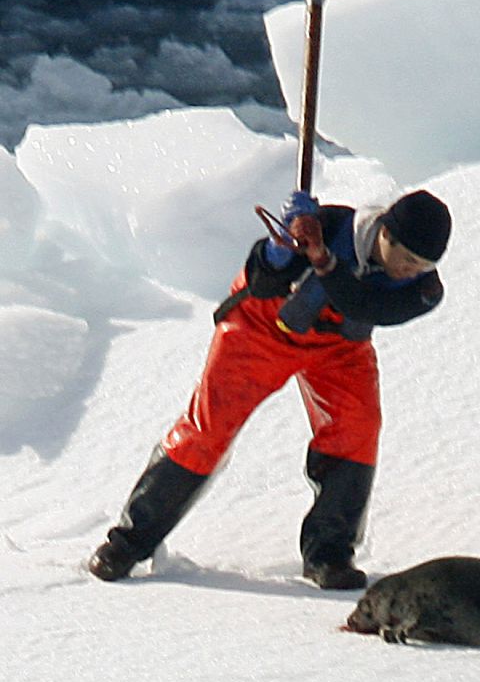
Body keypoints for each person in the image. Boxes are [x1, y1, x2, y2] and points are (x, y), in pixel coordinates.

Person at [87, 186, 452, 590]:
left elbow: (364, 305)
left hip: (339, 347)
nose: (410, 269)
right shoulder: (326, 225)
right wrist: (279, 252)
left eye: (421, 264)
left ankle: (329, 554)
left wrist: (322, 261)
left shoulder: (423, 291)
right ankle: (129, 541)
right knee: (208, 430)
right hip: (260, 329)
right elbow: (262, 281)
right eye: (406, 257)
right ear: (384, 232)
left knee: (357, 429)